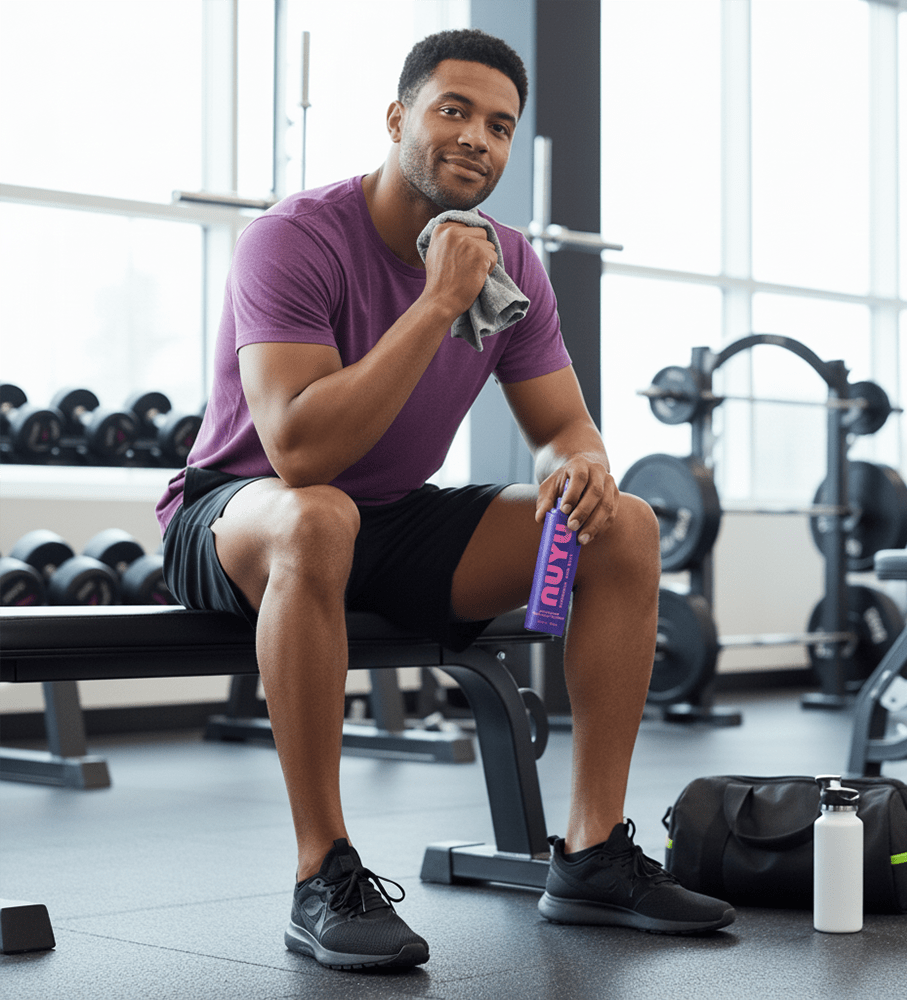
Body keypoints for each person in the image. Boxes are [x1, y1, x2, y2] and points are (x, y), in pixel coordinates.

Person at [156, 27, 734, 973]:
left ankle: (591, 854)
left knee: (624, 525)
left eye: (500, 126)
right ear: (398, 118)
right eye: (453, 111)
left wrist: (579, 464)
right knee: (319, 515)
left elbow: (565, 425)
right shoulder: (293, 239)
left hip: (386, 517)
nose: (477, 138)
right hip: (241, 513)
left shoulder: (511, 263)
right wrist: (435, 303)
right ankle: (322, 873)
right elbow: (299, 452)